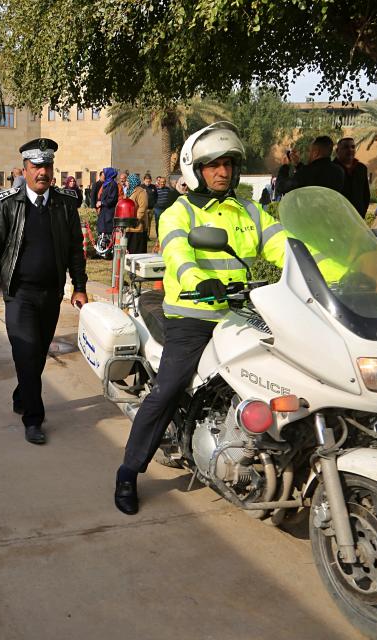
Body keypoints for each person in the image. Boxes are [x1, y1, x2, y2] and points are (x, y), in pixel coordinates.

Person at [114, 122, 286, 515]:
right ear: (196, 169)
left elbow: (284, 247)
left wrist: (332, 269)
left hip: (240, 312)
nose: (223, 172)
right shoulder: (180, 211)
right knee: (169, 387)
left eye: (228, 164)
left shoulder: (250, 211)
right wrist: (197, 279)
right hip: (193, 314)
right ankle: (128, 470)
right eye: (214, 165)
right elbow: (177, 253)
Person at [0, 138, 88, 445]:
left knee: (37, 355)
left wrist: (79, 286)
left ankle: (22, 393)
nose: (42, 172)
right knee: (26, 351)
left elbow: (76, 250)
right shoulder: (7, 202)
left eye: (47, 166)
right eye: (36, 166)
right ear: (24, 169)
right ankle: (34, 419)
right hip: (19, 293)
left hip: (51, 293)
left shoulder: (65, 204)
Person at [277, 136, 345, 195]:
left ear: (316, 152)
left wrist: (284, 166)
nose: (308, 154)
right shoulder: (339, 171)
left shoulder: (307, 173)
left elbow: (281, 187)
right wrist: (298, 164)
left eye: (310, 151)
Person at [333, 137, 371, 218]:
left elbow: (366, 194)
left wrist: (362, 212)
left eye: (353, 147)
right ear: (337, 151)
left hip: (357, 217)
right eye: (346, 147)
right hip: (337, 217)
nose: (350, 150)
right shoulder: (331, 169)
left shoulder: (362, 168)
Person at [96, 167, 119, 256]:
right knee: (103, 230)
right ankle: (102, 250)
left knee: (108, 230)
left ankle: (108, 251)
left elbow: (112, 199)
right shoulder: (107, 184)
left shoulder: (112, 184)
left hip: (109, 211)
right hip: (104, 210)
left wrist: (102, 202)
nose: (104, 175)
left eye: (105, 173)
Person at [125, 173, 150, 254]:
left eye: (128, 181)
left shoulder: (141, 192)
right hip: (129, 222)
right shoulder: (129, 191)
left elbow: (142, 207)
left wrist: (136, 220)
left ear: (133, 181)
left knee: (137, 248)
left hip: (138, 225)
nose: (126, 183)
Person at [152, 175, 177, 240]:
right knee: (158, 222)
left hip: (166, 209)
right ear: (159, 182)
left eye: (164, 182)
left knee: (166, 222)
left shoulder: (168, 189)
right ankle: (158, 236)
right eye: (161, 182)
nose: (163, 183)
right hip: (158, 209)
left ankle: (164, 235)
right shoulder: (156, 190)